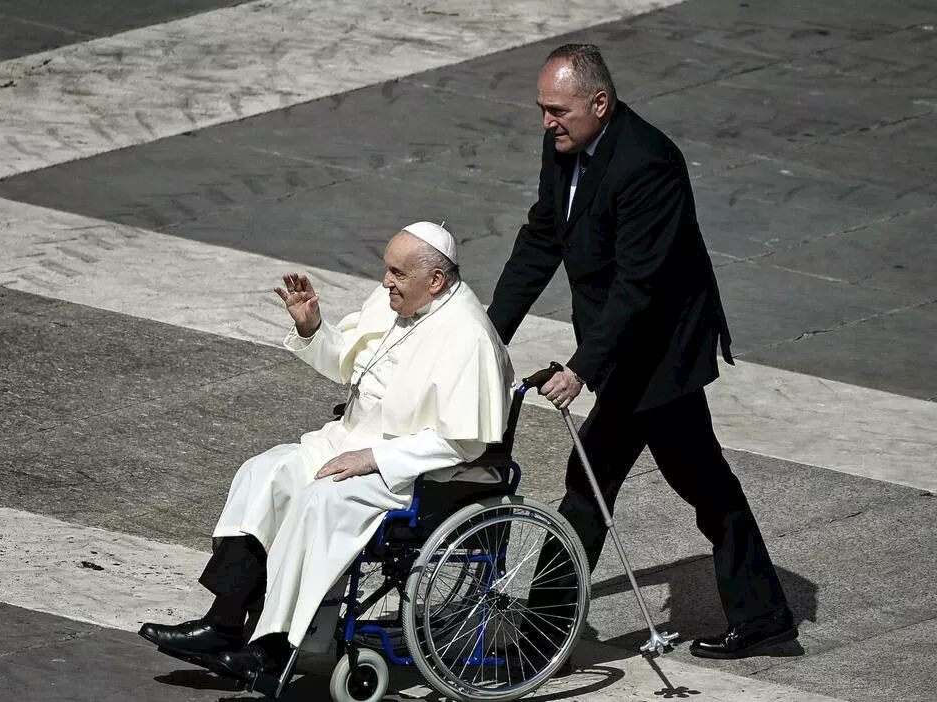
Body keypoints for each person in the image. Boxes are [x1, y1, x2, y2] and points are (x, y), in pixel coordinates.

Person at [485, 44, 797, 660]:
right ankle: (763, 615)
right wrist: (489, 336)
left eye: (558, 110)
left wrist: (581, 367)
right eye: (542, 110)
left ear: (599, 104)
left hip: (659, 353)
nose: (546, 122)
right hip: (626, 346)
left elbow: (639, 285)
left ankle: (540, 637)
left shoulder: (647, 164)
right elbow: (542, 238)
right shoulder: (566, 144)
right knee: (693, 481)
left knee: (599, 479)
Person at [139, 222, 514, 680]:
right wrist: (312, 327)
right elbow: (349, 365)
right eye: (387, 270)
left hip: (410, 472)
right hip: (347, 440)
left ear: (435, 281)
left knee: (319, 501)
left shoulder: (468, 335)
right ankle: (223, 622)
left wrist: (374, 459)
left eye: (396, 273)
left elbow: (462, 440)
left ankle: (275, 648)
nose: (385, 282)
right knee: (265, 473)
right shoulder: (395, 300)